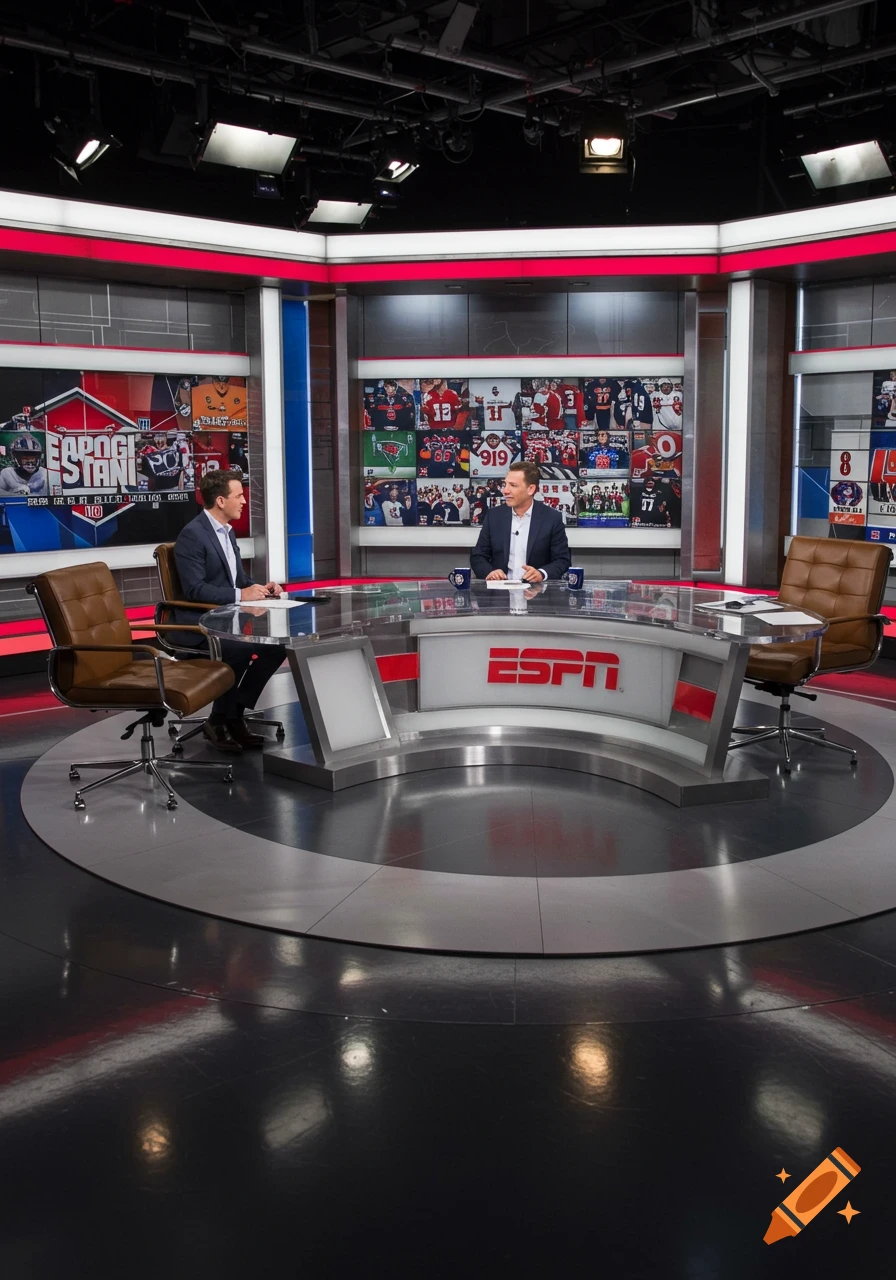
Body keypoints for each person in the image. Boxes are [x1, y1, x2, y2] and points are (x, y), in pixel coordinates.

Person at [174, 469, 286, 753]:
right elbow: (195, 590)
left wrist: (262, 588)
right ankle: (222, 719)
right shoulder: (193, 535)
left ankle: (232, 712)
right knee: (237, 650)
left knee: (277, 647)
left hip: (229, 619)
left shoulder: (227, 531)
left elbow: (238, 580)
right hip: (200, 624)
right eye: (239, 495)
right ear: (221, 501)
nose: (244, 501)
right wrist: (240, 594)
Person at [470, 460, 571, 582]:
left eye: (513, 485)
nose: (505, 491)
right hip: (500, 595)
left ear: (531, 489)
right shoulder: (494, 516)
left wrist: (542, 574)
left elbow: (562, 560)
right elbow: (478, 556)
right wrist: (490, 572)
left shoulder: (551, 518)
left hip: (537, 595)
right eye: (505, 484)